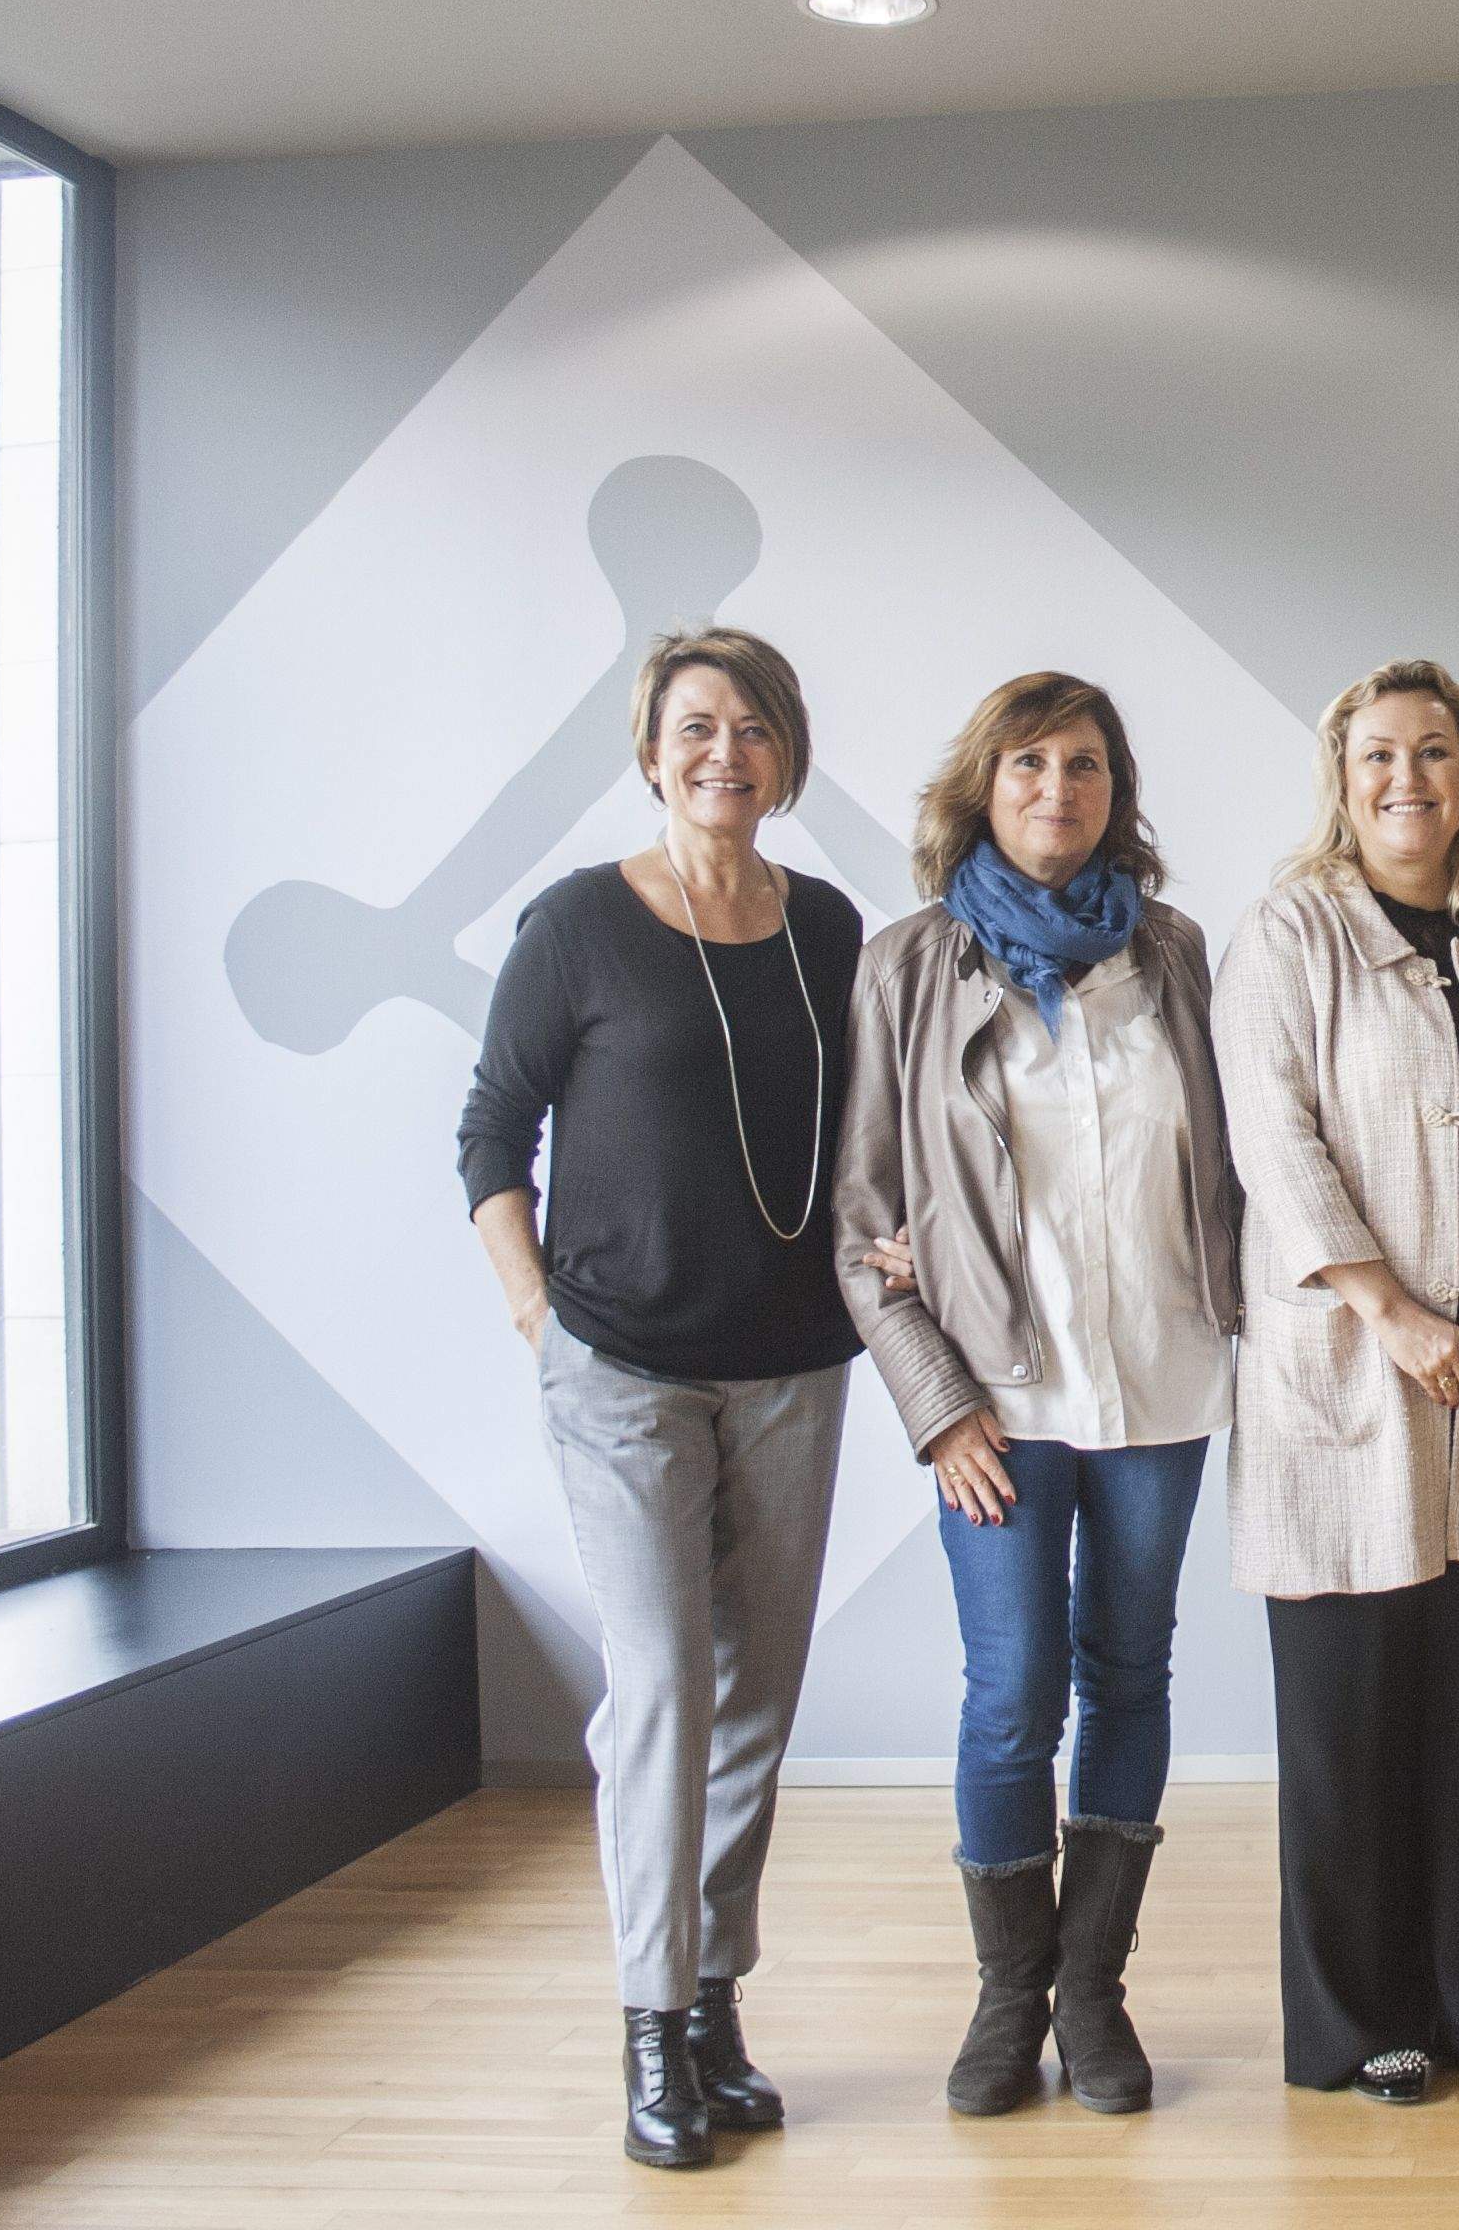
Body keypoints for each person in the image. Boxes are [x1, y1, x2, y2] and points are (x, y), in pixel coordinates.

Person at [456, 627, 865, 2170]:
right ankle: (645, 2024)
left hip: (791, 1368)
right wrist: (534, 1308)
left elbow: (857, 1131)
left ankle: (712, 2006)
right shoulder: (576, 926)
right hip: (621, 1368)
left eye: (753, 727)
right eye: (697, 727)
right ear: (650, 750)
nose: (725, 753)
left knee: (754, 1699)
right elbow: (492, 1135)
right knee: (665, 1685)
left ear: (787, 755)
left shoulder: (827, 927)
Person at [833, 673, 1240, 2118]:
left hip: (1162, 1384)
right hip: (996, 1405)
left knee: (1131, 1672)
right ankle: (1008, 2000)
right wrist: (936, 1403)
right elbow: (862, 1219)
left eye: (1083, 766)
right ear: (983, 789)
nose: (1057, 790)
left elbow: (1237, 1167)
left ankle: (1093, 1994)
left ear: (1115, 790)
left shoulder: (1180, 957)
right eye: (1027, 766)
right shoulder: (907, 965)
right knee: (1014, 1697)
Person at [1213, 658, 1459, 2106]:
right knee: (1351, 1712)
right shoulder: (1288, 934)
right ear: (1343, 777)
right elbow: (1276, 1139)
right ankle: (1360, 2014)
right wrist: (1387, 1307)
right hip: (1349, 1377)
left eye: (1433, 753)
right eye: (1379, 756)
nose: (1407, 780)